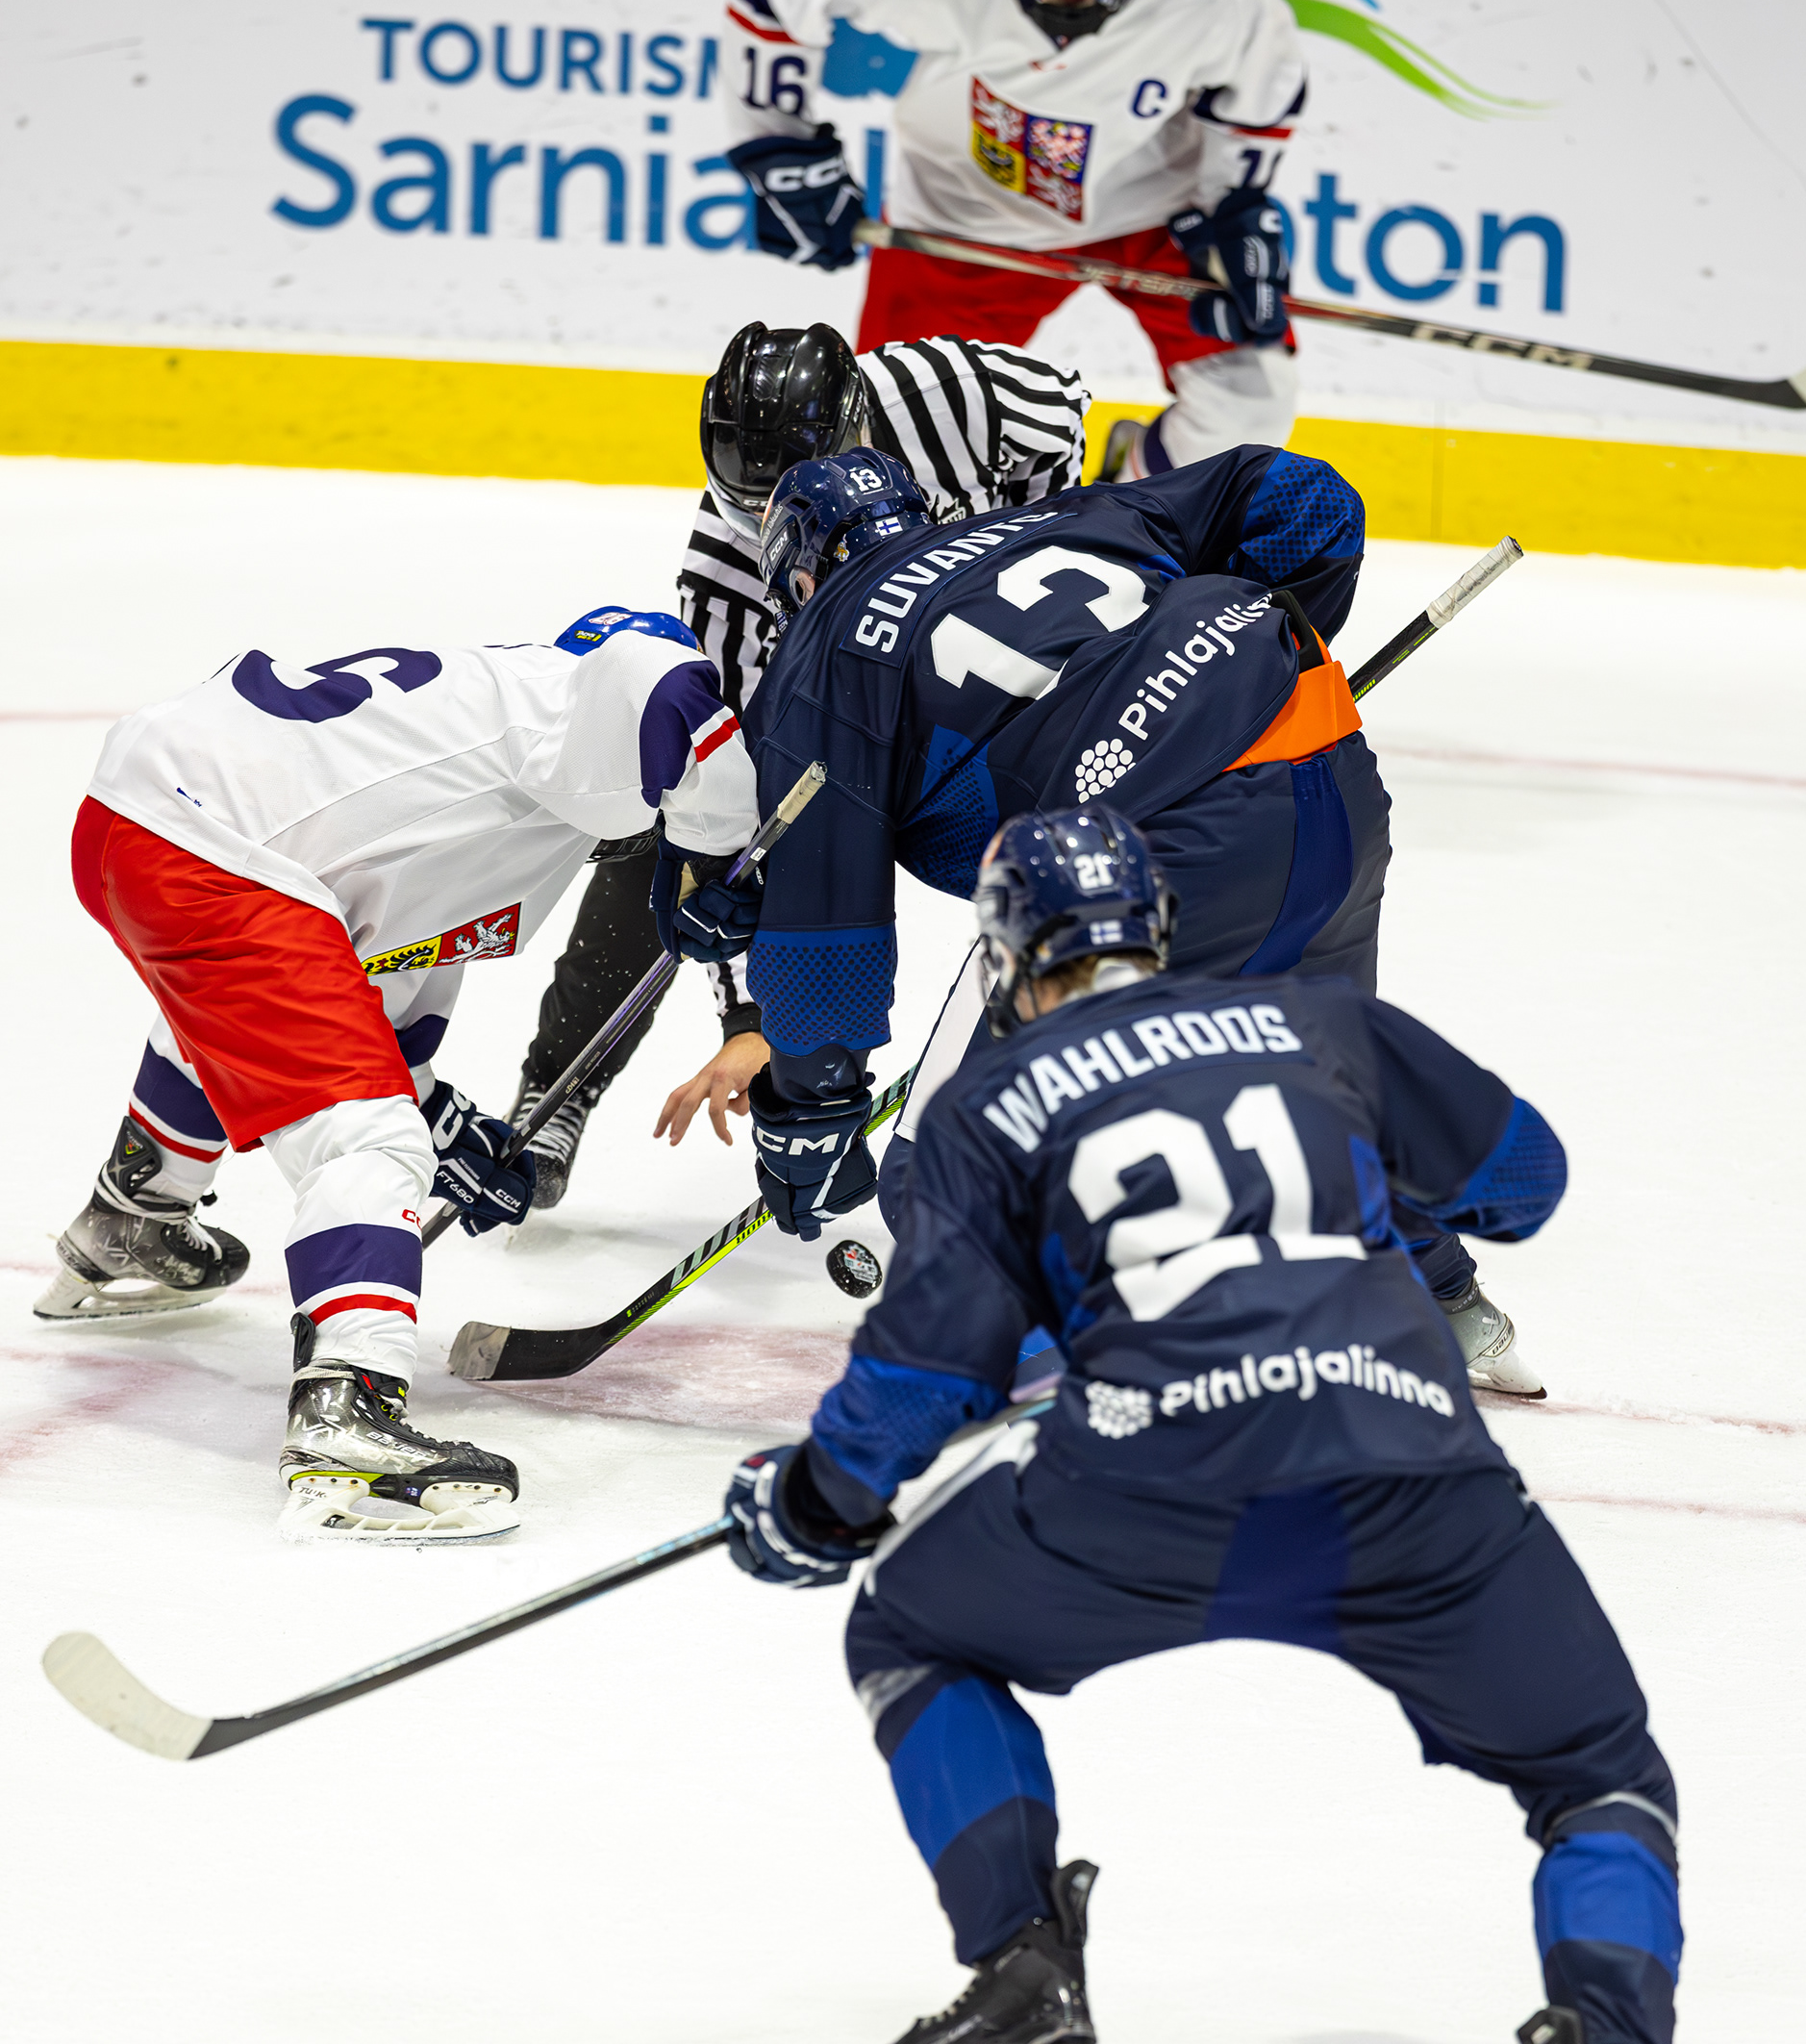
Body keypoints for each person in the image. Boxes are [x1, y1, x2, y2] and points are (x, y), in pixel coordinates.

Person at [720, 805, 1803, 2044]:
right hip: (1412, 1484)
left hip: (1148, 1491)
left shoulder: (989, 1107)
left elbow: (926, 1375)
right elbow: (1524, 1182)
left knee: (912, 1632)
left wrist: (814, 1504)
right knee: (1593, 1768)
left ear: (1010, 961)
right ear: (1159, 933)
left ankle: (1022, 1991)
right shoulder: (1318, 1025)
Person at [665, 440, 1540, 1397]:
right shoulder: (1070, 514)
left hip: (1146, 853)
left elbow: (828, 941)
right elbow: (1306, 498)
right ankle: (1451, 1309)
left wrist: (809, 1113)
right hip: (1331, 781)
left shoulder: (826, 649)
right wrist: (1230, 664)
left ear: (799, 574)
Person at [42, 606, 756, 1542]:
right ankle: (347, 1412)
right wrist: (722, 862)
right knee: (368, 1136)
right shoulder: (562, 700)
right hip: (203, 845)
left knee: (253, 1017)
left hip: (150, 823)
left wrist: (453, 1133)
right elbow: (655, 683)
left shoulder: (456, 786)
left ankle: (135, 1212)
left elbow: (364, 1025)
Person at [506, 317, 1091, 1214]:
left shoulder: (956, 396)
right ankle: (562, 1081)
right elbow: (727, 813)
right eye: (747, 503)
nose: (768, 524)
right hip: (875, 710)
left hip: (1000, 667)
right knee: (657, 834)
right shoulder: (728, 587)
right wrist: (753, 1019)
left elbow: (1060, 421)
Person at [721, 0, 1305, 476]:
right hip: (964, 214)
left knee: (1250, 406)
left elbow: (1263, 91)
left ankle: (1125, 506)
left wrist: (1235, 212)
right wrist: (783, 152)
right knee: (897, 443)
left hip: (1153, 211)